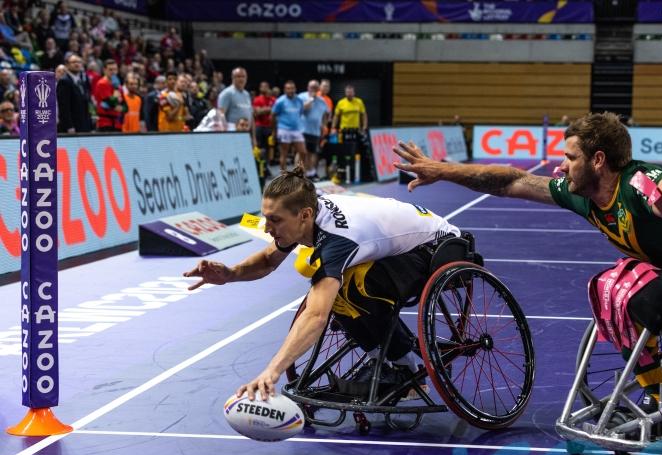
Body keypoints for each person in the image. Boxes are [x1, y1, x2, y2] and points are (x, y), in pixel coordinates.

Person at [392, 112, 662, 433]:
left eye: (569, 157)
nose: (560, 166)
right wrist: (442, 170)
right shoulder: (584, 196)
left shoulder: (640, 181)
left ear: (598, 160)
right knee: (611, 288)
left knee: (638, 293)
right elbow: (511, 180)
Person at [183, 166, 461, 401]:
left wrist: (272, 371)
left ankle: (406, 368)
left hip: (435, 247)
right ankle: (385, 357)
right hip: (395, 244)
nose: (267, 228)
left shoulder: (336, 238)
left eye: (275, 220)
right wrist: (230, 273)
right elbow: (269, 261)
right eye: (266, 218)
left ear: (304, 215)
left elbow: (316, 316)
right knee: (332, 287)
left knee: (352, 287)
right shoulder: (303, 213)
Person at [270, 80, 307, 170]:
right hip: (284, 129)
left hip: (296, 130)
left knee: (303, 152)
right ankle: (284, 177)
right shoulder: (280, 101)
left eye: (292, 88)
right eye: (288, 88)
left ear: (295, 89)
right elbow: (273, 115)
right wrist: (274, 131)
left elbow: (300, 113)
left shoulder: (299, 100)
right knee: (284, 154)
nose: (290, 90)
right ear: (285, 90)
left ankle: (297, 174)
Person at [298, 79, 329, 179]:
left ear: (318, 89)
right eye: (312, 87)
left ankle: (309, 174)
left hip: (315, 131)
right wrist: (310, 99)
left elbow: (326, 113)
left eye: (315, 87)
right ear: (308, 88)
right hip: (302, 130)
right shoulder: (301, 97)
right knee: (301, 153)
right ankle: (297, 175)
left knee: (311, 154)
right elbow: (298, 110)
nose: (313, 89)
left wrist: (323, 125)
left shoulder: (322, 101)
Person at [56, 54, 93, 133]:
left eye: (79, 62)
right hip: (72, 127)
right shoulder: (64, 81)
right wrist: (69, 126)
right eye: (73, 62)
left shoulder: (83, 81)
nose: (77, 64)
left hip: (84, 125)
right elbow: (63, 107)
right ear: (67, 65)